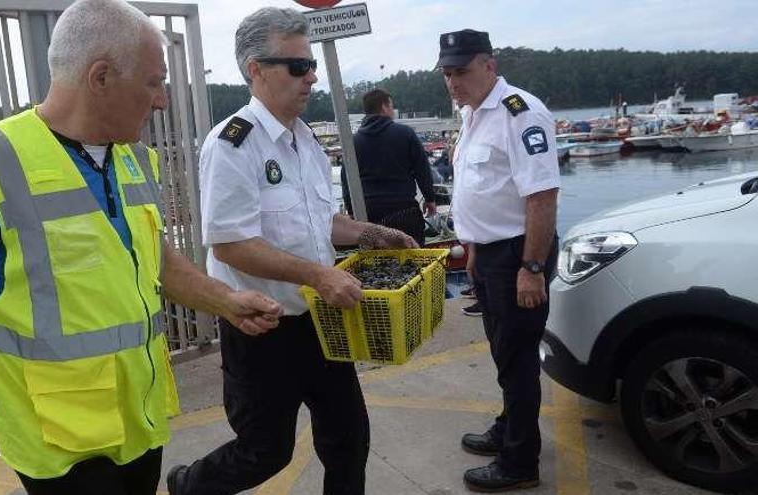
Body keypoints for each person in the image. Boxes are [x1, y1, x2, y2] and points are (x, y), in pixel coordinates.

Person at [0, 1, 283, 494]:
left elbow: (154, 258)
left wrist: (226, 301)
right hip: (61, 450)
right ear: (101, 77)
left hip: (139, 426)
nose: (161, 100)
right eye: (154, 82)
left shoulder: (133, 160)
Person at [166, 8, 417, 495]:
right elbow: (231, 244)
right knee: (265, 451)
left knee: (349, 439)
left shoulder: (306, 141)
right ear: (255, 69)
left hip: (321, 323)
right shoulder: (232, 145)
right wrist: (320, 276)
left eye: (311, 66)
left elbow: (320, 221)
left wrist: (368, 233)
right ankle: (187, 486)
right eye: (297, 66)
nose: (311, 77)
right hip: (262, 328)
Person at [438, 29, 560, 492]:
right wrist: (472, 252)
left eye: (461, 71)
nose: (453, 82)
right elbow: (484, 193)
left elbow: (542, 196)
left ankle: (519, 461)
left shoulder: (520, 113)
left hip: (517, 255)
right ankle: (511, 427)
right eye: (447, 73)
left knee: (518, 358)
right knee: (503, 352)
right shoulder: (473, 114)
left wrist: (531, 269)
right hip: (489, 254)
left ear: (489, 65)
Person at [341, 88, 436, 246]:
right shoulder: (405, 134)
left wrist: (352, 211)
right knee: (414, 261)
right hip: (404, 211)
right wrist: (430, 198)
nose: (392, 111)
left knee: (377, 266)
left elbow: (346, 180)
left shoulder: (353, 142)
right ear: (384, 106)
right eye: (391, 106)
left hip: (369, 215)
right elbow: (422, 169)